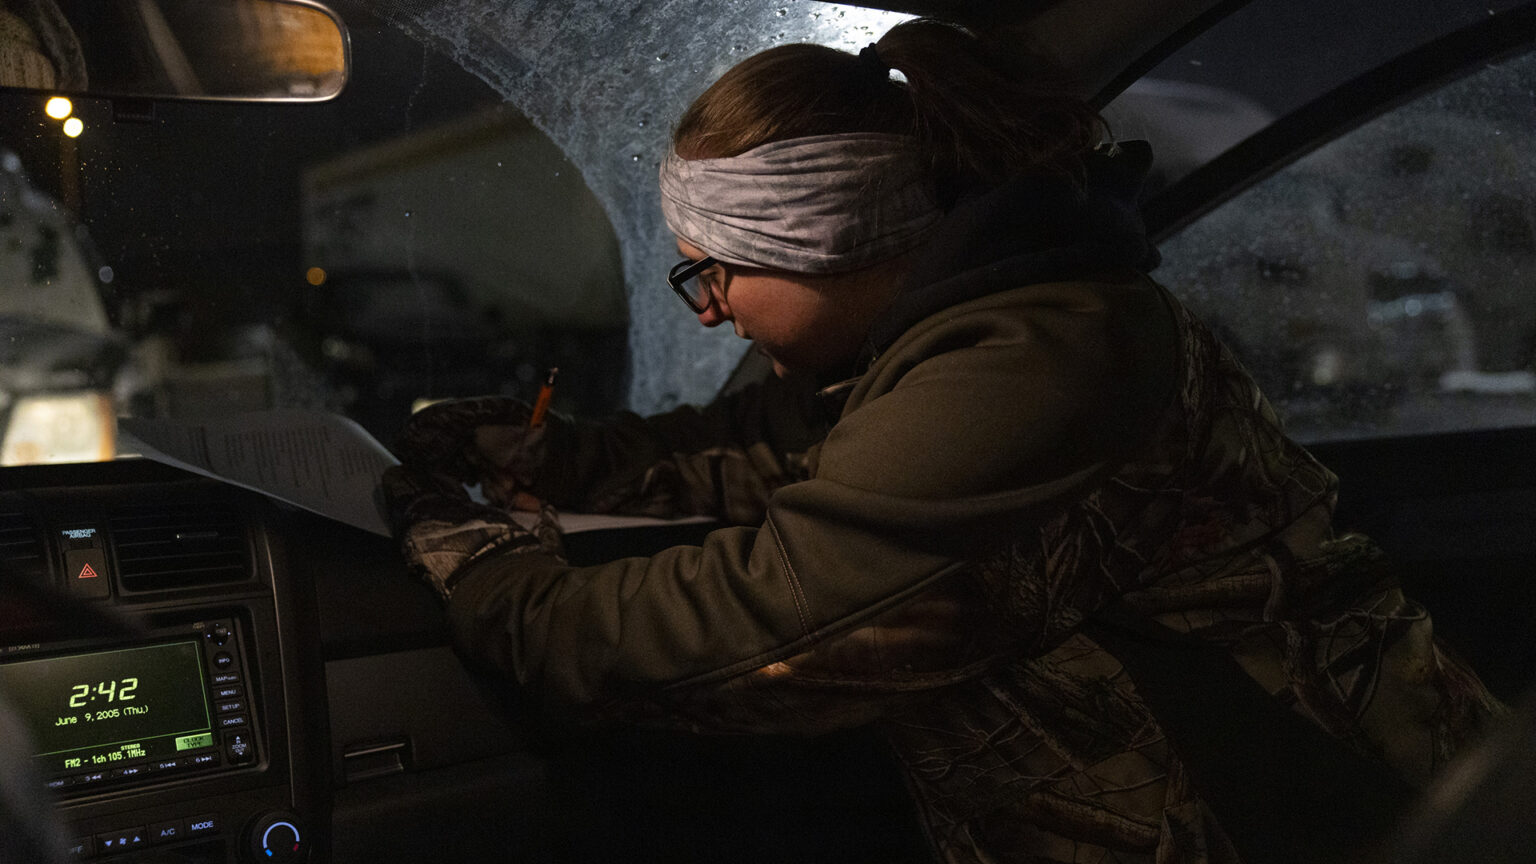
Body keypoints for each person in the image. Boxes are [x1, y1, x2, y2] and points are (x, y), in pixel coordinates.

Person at [383, 18, 1501, 864]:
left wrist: (488, 574)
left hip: (1292, 815)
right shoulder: (960, 335)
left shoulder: (1036, 363)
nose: (709, 307)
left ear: (828, 241)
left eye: (717, 268)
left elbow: (764, 630)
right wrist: (560, 462)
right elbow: (774, 445)